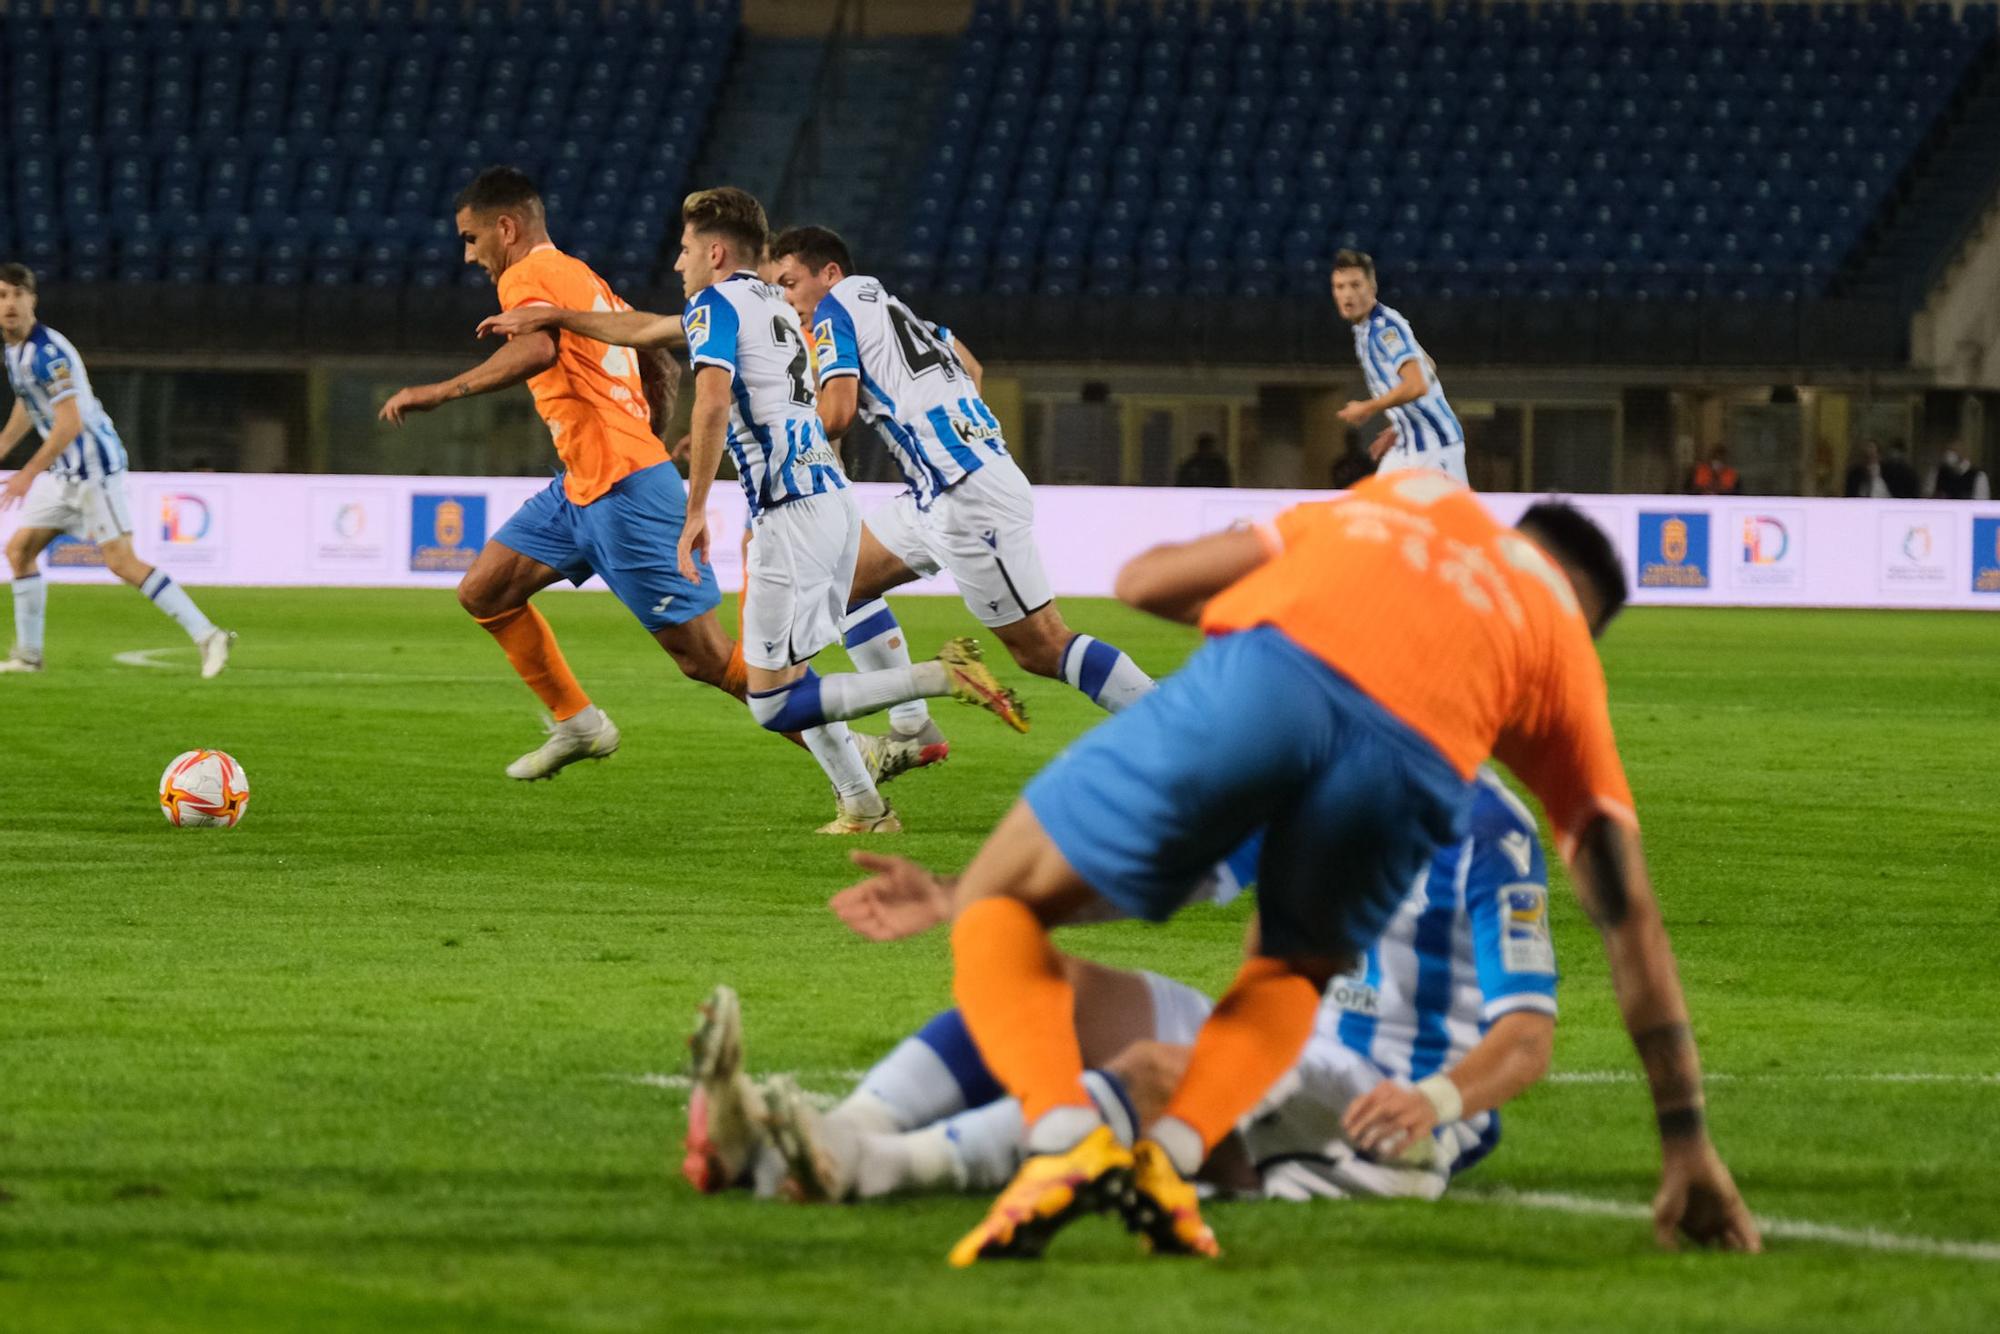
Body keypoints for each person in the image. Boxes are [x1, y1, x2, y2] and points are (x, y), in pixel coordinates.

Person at [830, 470, 1759, 1264]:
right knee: (1288, 968)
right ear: (1578, 613)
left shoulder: (1409, 498)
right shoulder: (1556, 657)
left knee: (1006, 901)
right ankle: (1167, 1159)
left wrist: (1261, 586)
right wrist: (1686, 1144)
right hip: (1415, 767)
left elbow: (1148, 582)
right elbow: (1629, 915)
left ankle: (1053, 1137)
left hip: (1276, 675)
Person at [685, 769, 1559, 1209]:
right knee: (1044, 981)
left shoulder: (1488, 830)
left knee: (1158, 1071)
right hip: (1292, 1042)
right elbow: (1162, 880)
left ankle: (874, 1167)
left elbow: (1527, 1035)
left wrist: (1435, 1102)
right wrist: (968, 896)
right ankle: (829, 1133)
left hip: (1391, 1100)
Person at [378, 167, 752, 780]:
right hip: (583, 482)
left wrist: (441, 392)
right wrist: (646, 420)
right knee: (485, 591)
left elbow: (538, 349)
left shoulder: (526, 275)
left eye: (472, 239)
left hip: (623, 486)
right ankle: (578, 723)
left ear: (507, 227)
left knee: (707, 660)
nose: (471, 256)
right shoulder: (581, 275)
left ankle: (846, 744)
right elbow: (658, 353)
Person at [671, 188, 1026, 833]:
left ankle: (939, 679)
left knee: (772, 701)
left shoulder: (715, 305)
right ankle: (865, 804)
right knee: (798, 668)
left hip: (788, 508)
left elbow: (714, 400)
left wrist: (696, 509)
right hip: (832, 497)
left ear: (715, 252)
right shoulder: (779, 308)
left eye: (687, 248)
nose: (679, 263)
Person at [771, 226, 1158, 755]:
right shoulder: (900, 312)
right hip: (946, 488)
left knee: (1042, 648)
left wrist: (775, 440)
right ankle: (912, 726)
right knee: (841, 579)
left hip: (966, 495)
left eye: (790, 283)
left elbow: (836, 416)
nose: (787, 300)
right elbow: (971, 365)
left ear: (830, 274)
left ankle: (1184, 732)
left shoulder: (836, 311)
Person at [0, 263, 234, 677]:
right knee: (19, 550)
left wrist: (26, 473)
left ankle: (208, 634)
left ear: (33, 300)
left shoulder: (48, 353)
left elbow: (69, 423)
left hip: (93, 470)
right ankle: (29, 656)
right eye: (2, 296)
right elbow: (29, 401)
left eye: (18, 294)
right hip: (64, 473)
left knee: (122, 562)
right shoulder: (14, 351)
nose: (10, 304)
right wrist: (4, 445)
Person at [1330, 250, 1468, 484]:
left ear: (1372, 287)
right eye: (1340, 286)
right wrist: (1400, 423)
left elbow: (1417, 384)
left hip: (1435, 445)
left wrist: (1368, 407)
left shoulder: (1385, 329)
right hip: (1407, 443)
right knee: (1377, 511)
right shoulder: (1364, 328)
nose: (1347, 294)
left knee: (1446, 519)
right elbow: (1428, 366)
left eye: (1355, 285)